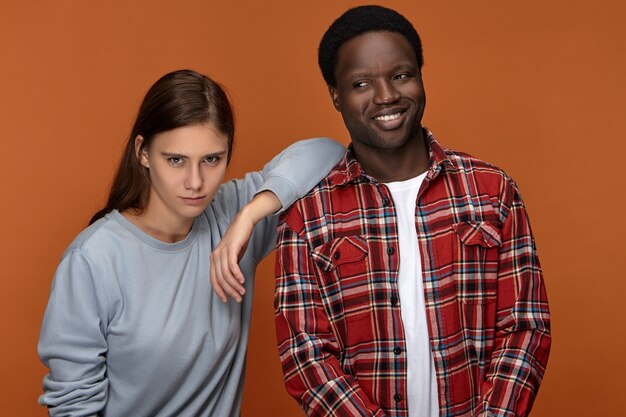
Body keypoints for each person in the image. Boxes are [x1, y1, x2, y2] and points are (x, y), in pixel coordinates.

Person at [273, 6, 551, 417]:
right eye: (361, 82)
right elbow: (307, 356)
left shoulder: (492, 191)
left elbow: (525, 326)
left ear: (421, 76)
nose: (386, 95)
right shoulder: (307, 217)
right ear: (336, 94)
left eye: (401, 75)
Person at [37, 69, 344, 417]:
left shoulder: (233, 215)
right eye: (176, 160)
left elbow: (328, 152)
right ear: (143, 153)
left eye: (211, 159)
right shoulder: (93, 260)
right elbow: (73, 406)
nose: (195, 182)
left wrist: (247, 217)